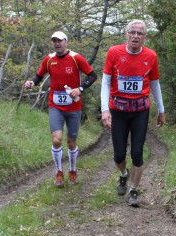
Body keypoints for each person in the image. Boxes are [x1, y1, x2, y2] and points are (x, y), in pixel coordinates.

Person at [100, 20, 166, 207]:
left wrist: (161, 110)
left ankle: (134, 190)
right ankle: (123, 174)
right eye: (132, 32)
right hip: (118, 110)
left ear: (145, 37)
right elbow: (106, 82)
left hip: (140, 111)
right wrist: (105, 109)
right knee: (119, 154)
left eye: (140, 33)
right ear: (126, 35)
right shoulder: (114, 52)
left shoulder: (151, 56)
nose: (136, 36)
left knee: (137, 152)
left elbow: (155, 84)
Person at [25, 31, 97, 187]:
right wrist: (31, 82)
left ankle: (72, 169)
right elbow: (39, 76)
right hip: (55, 106)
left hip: (74, 107)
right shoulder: (49, 60)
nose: (57, 43)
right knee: (56, 139)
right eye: (54, 41)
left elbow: (93, 76)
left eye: (60, 41)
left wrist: (80, 89)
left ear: (66, 42)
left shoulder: (76, 58)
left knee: (71, 142)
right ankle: (59, 172)